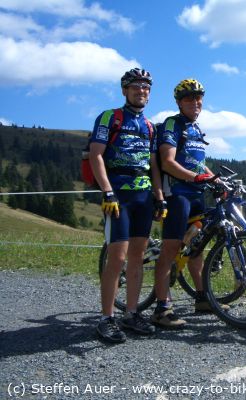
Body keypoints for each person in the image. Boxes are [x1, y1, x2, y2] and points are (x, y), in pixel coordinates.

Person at [89, 67, 167, 343]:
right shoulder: (110, 117)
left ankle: (131, 313)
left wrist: (159, 197)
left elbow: (154, 165)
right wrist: (108, 191)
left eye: (146, 87)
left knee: (137, 257)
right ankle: (106, 318)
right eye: (135, 86)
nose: (141, 91)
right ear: (125, 90)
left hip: (143, 197)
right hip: (118, 195)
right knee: (117, 258)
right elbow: (96, 155)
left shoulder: (150, 126)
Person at [151, 78, 221, 327]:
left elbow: (198, 164)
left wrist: (215, 180)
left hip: (196, 194)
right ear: (179, 102)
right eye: (189, 98)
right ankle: (162, 309)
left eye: (198, 98)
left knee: (196, 248)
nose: (195, 102)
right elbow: (168, 162)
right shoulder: (173, 124)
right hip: (177, 194)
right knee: (170, 250)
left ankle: (202, 298)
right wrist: (195, 177)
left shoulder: (196, 129)